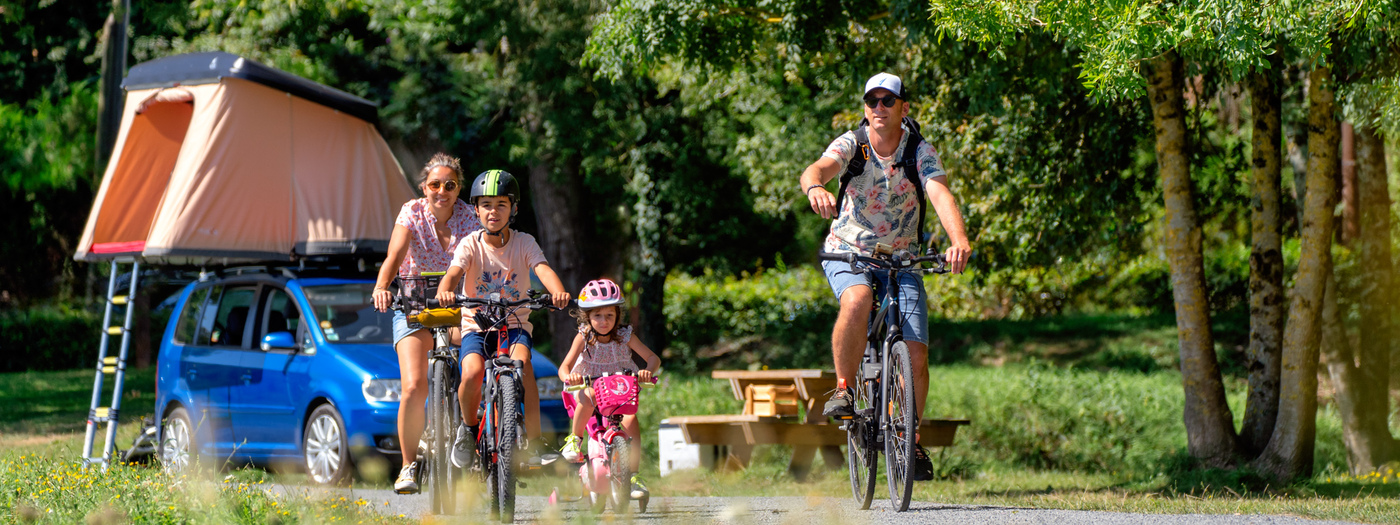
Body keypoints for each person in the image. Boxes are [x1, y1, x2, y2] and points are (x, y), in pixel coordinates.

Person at [797, 72, 971, 481]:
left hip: (903, 259)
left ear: (903, 108)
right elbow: (817, 169)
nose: (879, 108)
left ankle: (907, 439)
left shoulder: (919, 151)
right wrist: (814, 189)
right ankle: (843, 388)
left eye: (887, 101)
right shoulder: (852, 144)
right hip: (848, 252)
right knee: (856, 300)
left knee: (917, 353)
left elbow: (940, 193)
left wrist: (958, 239)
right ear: (865, 108)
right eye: (872, 101)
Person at [435, 169, 572, 470]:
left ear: (514, 208)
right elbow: (454, 273)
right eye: (486, 204)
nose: (493, 211)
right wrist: (445, 291)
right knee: (470, 373)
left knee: (524, 368)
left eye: (501, 204)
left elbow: (543, 269)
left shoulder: (524, 242)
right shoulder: (470, 244)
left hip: (515, 325)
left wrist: (558, 292)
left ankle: (534, 442)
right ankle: (468, 430)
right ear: (476, 209)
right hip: (477, 325)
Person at [370, 153, 481, 494]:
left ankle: (472, 436)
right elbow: (396, 255)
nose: (442, 191)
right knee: (414, 386)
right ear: (424, 187)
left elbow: (481, 258)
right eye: (435, 184)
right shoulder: (411, 212)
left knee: (475, 364)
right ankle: (407, 466)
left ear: (458, 188)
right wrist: (381, 287)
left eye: (449, 185)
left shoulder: (469, 216)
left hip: (457, 303)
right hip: (415, 305)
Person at [556, 278, 661, 498]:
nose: (604, 321)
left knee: (631, 420)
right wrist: (570, 377)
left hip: (618, 391)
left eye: (609, 315)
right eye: (598, 316)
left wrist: (647, 371)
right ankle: (574, 441)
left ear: (617, 316)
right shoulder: (583, 337)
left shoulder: (625, 336)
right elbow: (564, 367)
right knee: (590, 392)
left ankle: (633, 476)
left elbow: (652, 358)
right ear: (587, 316)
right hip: (588, 389)